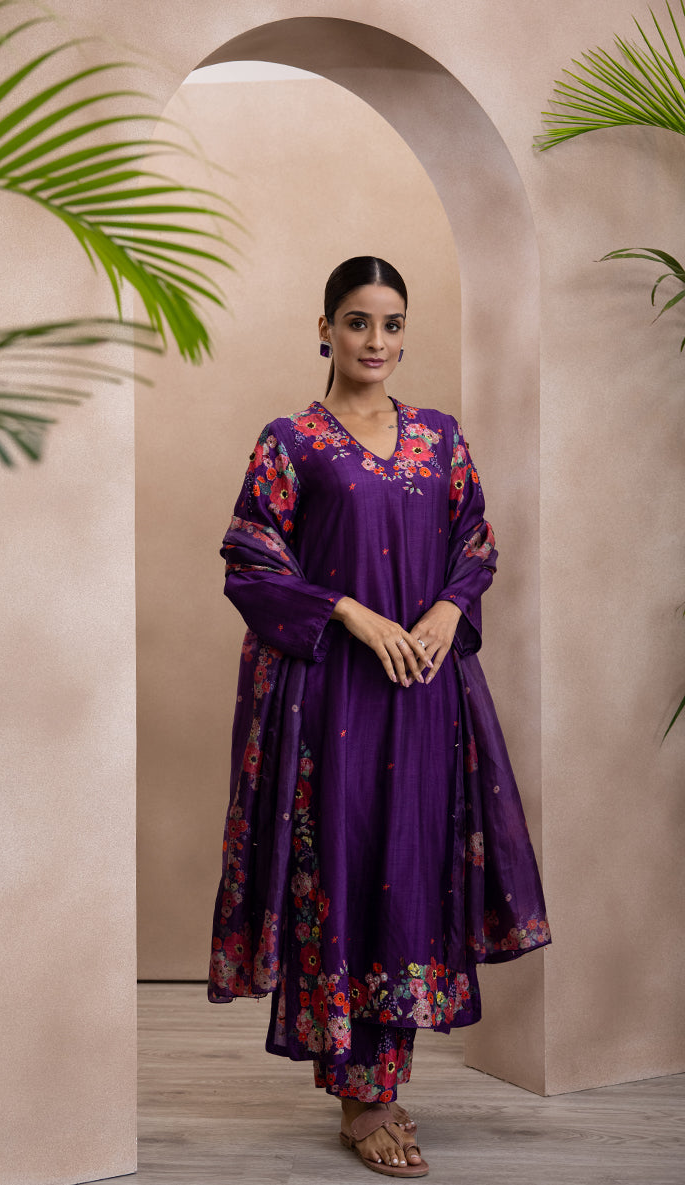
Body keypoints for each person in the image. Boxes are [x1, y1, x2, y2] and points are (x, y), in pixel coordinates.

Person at [208, 256, 550, 1178]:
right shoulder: (293, 443)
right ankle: (366, 1097)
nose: (377, 343)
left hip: (427, 693)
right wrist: (351, 612)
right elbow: (250, 559)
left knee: (410, 872)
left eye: (393, 325)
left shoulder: (440, 439)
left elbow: (474, 539)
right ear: (323, 328)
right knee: (349, 872)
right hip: (335, 698)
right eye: (358, 323)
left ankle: (383, 1083)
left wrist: (443, 612)